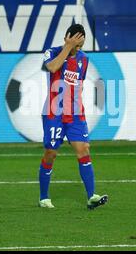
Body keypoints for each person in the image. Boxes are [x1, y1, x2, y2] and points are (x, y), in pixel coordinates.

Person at [38, 24, 108, 210]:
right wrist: (68, 48)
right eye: (75, 44)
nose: (78, 49)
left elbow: (79, 84)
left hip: (76, 114)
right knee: (51, 153)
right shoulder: (51, 52)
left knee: (83, 149)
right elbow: (52, 68)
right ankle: (44, 197)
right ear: (67, 38)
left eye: (80, 45)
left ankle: (91, 196)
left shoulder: (84, 60)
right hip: (54, 113)